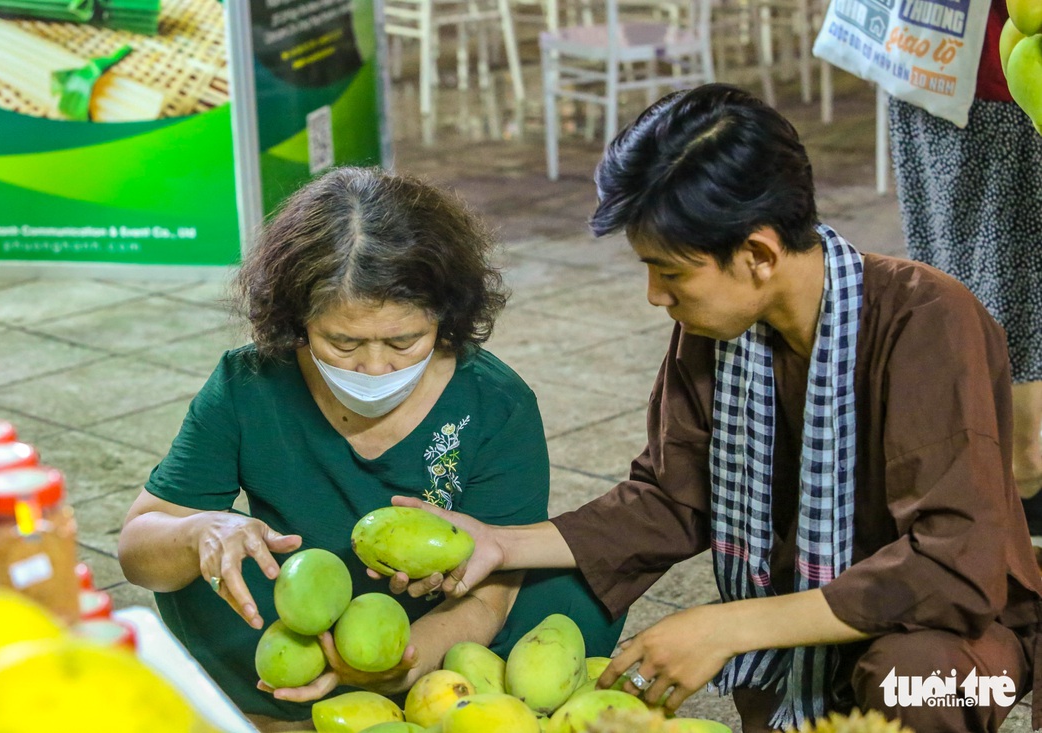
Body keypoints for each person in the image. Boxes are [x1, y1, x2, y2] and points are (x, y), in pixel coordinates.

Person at [390, 84, 1042, 733]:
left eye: (670, 273)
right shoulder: (716, 335)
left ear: (758, 254)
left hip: (957, 641)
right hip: (799, 633)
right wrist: (500, 544)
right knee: (555, 584)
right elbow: (669, 499)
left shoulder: (928, 319)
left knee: (911, 676)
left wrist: (727, 625)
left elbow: (954, 565)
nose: (654, 295)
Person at [116, 167, 624, 731]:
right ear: (297, 322)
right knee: (197, 563)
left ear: (447, 319)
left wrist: (393, 670)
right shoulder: (249, 383)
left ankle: (411, 703)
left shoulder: (495, 403)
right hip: (303, 617)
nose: (375, 367)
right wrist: (198, 532)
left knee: (574, 584)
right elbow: (138, 550)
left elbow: (492, 595)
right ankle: (285, 711)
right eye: (344, 342)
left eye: (405, 341)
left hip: (445, 622)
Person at [886, 0, 1042, 534]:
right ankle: (1015, 473)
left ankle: (1009, 473)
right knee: (992, 279)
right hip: (965, 73)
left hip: (943, 65)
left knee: (986, 278)